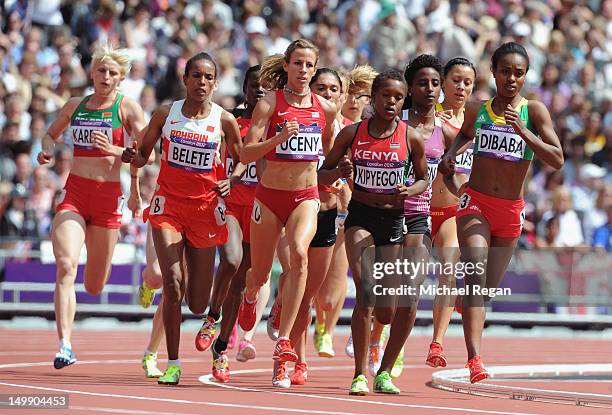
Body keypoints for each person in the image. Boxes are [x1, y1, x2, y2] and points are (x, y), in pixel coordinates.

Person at [439, 42, 563, 383]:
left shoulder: (534, 112)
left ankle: (470, 307)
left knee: (485, 290)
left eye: (518, 73)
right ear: (493, 72)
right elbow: (463, 136)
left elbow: (557, 159)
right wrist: (451, 160)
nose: (511, 78)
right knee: (475, 271)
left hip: (511, 209)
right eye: (505, 71)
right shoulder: (478, 109)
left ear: (525, 77)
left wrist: (524, 133)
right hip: (476, 202)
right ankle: (475, 359)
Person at [122, 52, 242, 385]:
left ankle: (209, 317)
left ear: (215, 83)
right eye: (195, 76)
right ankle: (173, 363)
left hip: (205, 211)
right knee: (172, 283)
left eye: (208, 77)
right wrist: (132, 156)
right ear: (185, 79)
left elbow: (242, 158)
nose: (201, 82)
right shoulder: (165, 114)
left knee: (197, 300)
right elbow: (143, 155)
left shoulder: (224, 120)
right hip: (168, 207)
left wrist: (231, 179)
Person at [37, 44, 147, 369]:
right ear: (93, 73)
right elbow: (50, 135)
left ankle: (97, 274)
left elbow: (147, 154)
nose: (106, 76)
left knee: (94, 285)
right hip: (75, 194)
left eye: (113, 72)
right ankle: (65, 345)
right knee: (66, 266)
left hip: (108, 199)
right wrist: (46, 151)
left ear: (121, 78)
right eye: (101, 70)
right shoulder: (75, 105)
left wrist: (117, 151)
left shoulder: (128, 109)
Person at [320, 69, 427, 396]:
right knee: (366, 290)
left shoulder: (411, 137)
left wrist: (409, 190)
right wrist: (340, 170)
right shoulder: (352, 134)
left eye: (398, 97)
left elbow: (425, 179)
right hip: (360, 217)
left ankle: (383, 373)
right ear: (373, 98)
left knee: (387, 308)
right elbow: (322, 174)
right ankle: (359, 375)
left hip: (394, 221)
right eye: (385, 96)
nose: (391, 102)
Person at [237, 39, 337, 388]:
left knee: (299, 254)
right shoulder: (269, 102)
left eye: (310, 65)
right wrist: (277, 140)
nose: (304, 71)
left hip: (305, 197)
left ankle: (284, 345)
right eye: (298, 64)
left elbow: (331, 154)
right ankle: (251, 298)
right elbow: (247, 154)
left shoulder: (325, 108)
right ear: (287, 65)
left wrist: (343, 174)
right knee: (259, 273)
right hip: (269, 198)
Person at [196, 65, 268, 382]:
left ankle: (221, 349)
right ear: (246, 88)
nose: (260, 91)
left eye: (266, 87)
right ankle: (212, 316)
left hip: (260, 209)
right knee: (231, 259)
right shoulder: (229, 119)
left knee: (241, 281)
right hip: (229, 203)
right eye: (255, 86)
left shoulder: (276, 122)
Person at [314, 65, 378, 360]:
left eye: (361, 96)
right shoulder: (335, 125)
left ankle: (327, 329)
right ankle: (315, 324)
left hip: (352, 211)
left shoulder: (373, 132)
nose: (354, 101)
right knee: (318, 275)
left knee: (338, 281)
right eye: (349, 95)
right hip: (319, 202)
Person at [427, 57, 476, 368]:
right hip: (416, 210)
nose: (461, 87)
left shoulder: (475, 124)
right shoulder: (428, 117)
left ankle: (437, 343)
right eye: (456, 80)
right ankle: (377, 336)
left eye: (468, 82)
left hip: (449, 211)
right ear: (443, 81)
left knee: (448, 270)